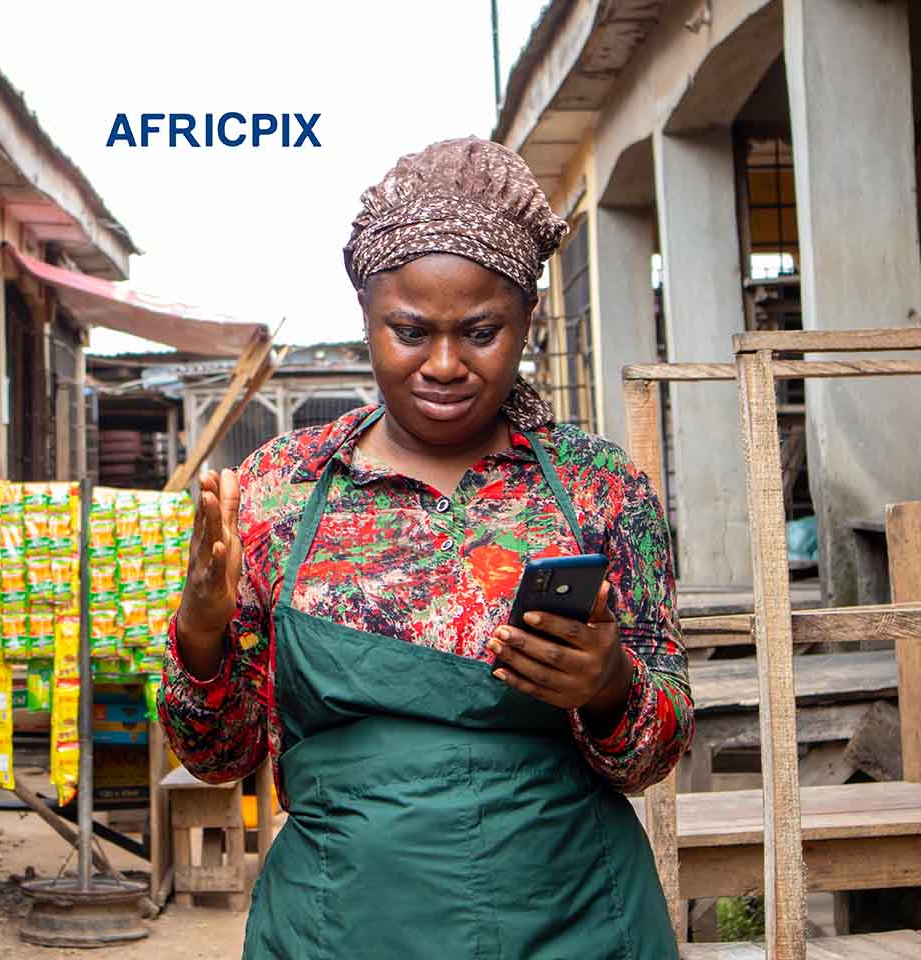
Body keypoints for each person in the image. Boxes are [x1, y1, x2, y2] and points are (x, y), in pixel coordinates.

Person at [159, 138, 692, 959]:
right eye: (409, 331)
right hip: (341, 926)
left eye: (481, 331)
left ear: (528, 322)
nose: (444, 365)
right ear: (367, 320)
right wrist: (201, 634)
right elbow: (217, 758)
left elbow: (652, 758)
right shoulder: (279, 491)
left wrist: (611, 686)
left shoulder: (597, 488)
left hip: (576, 920)